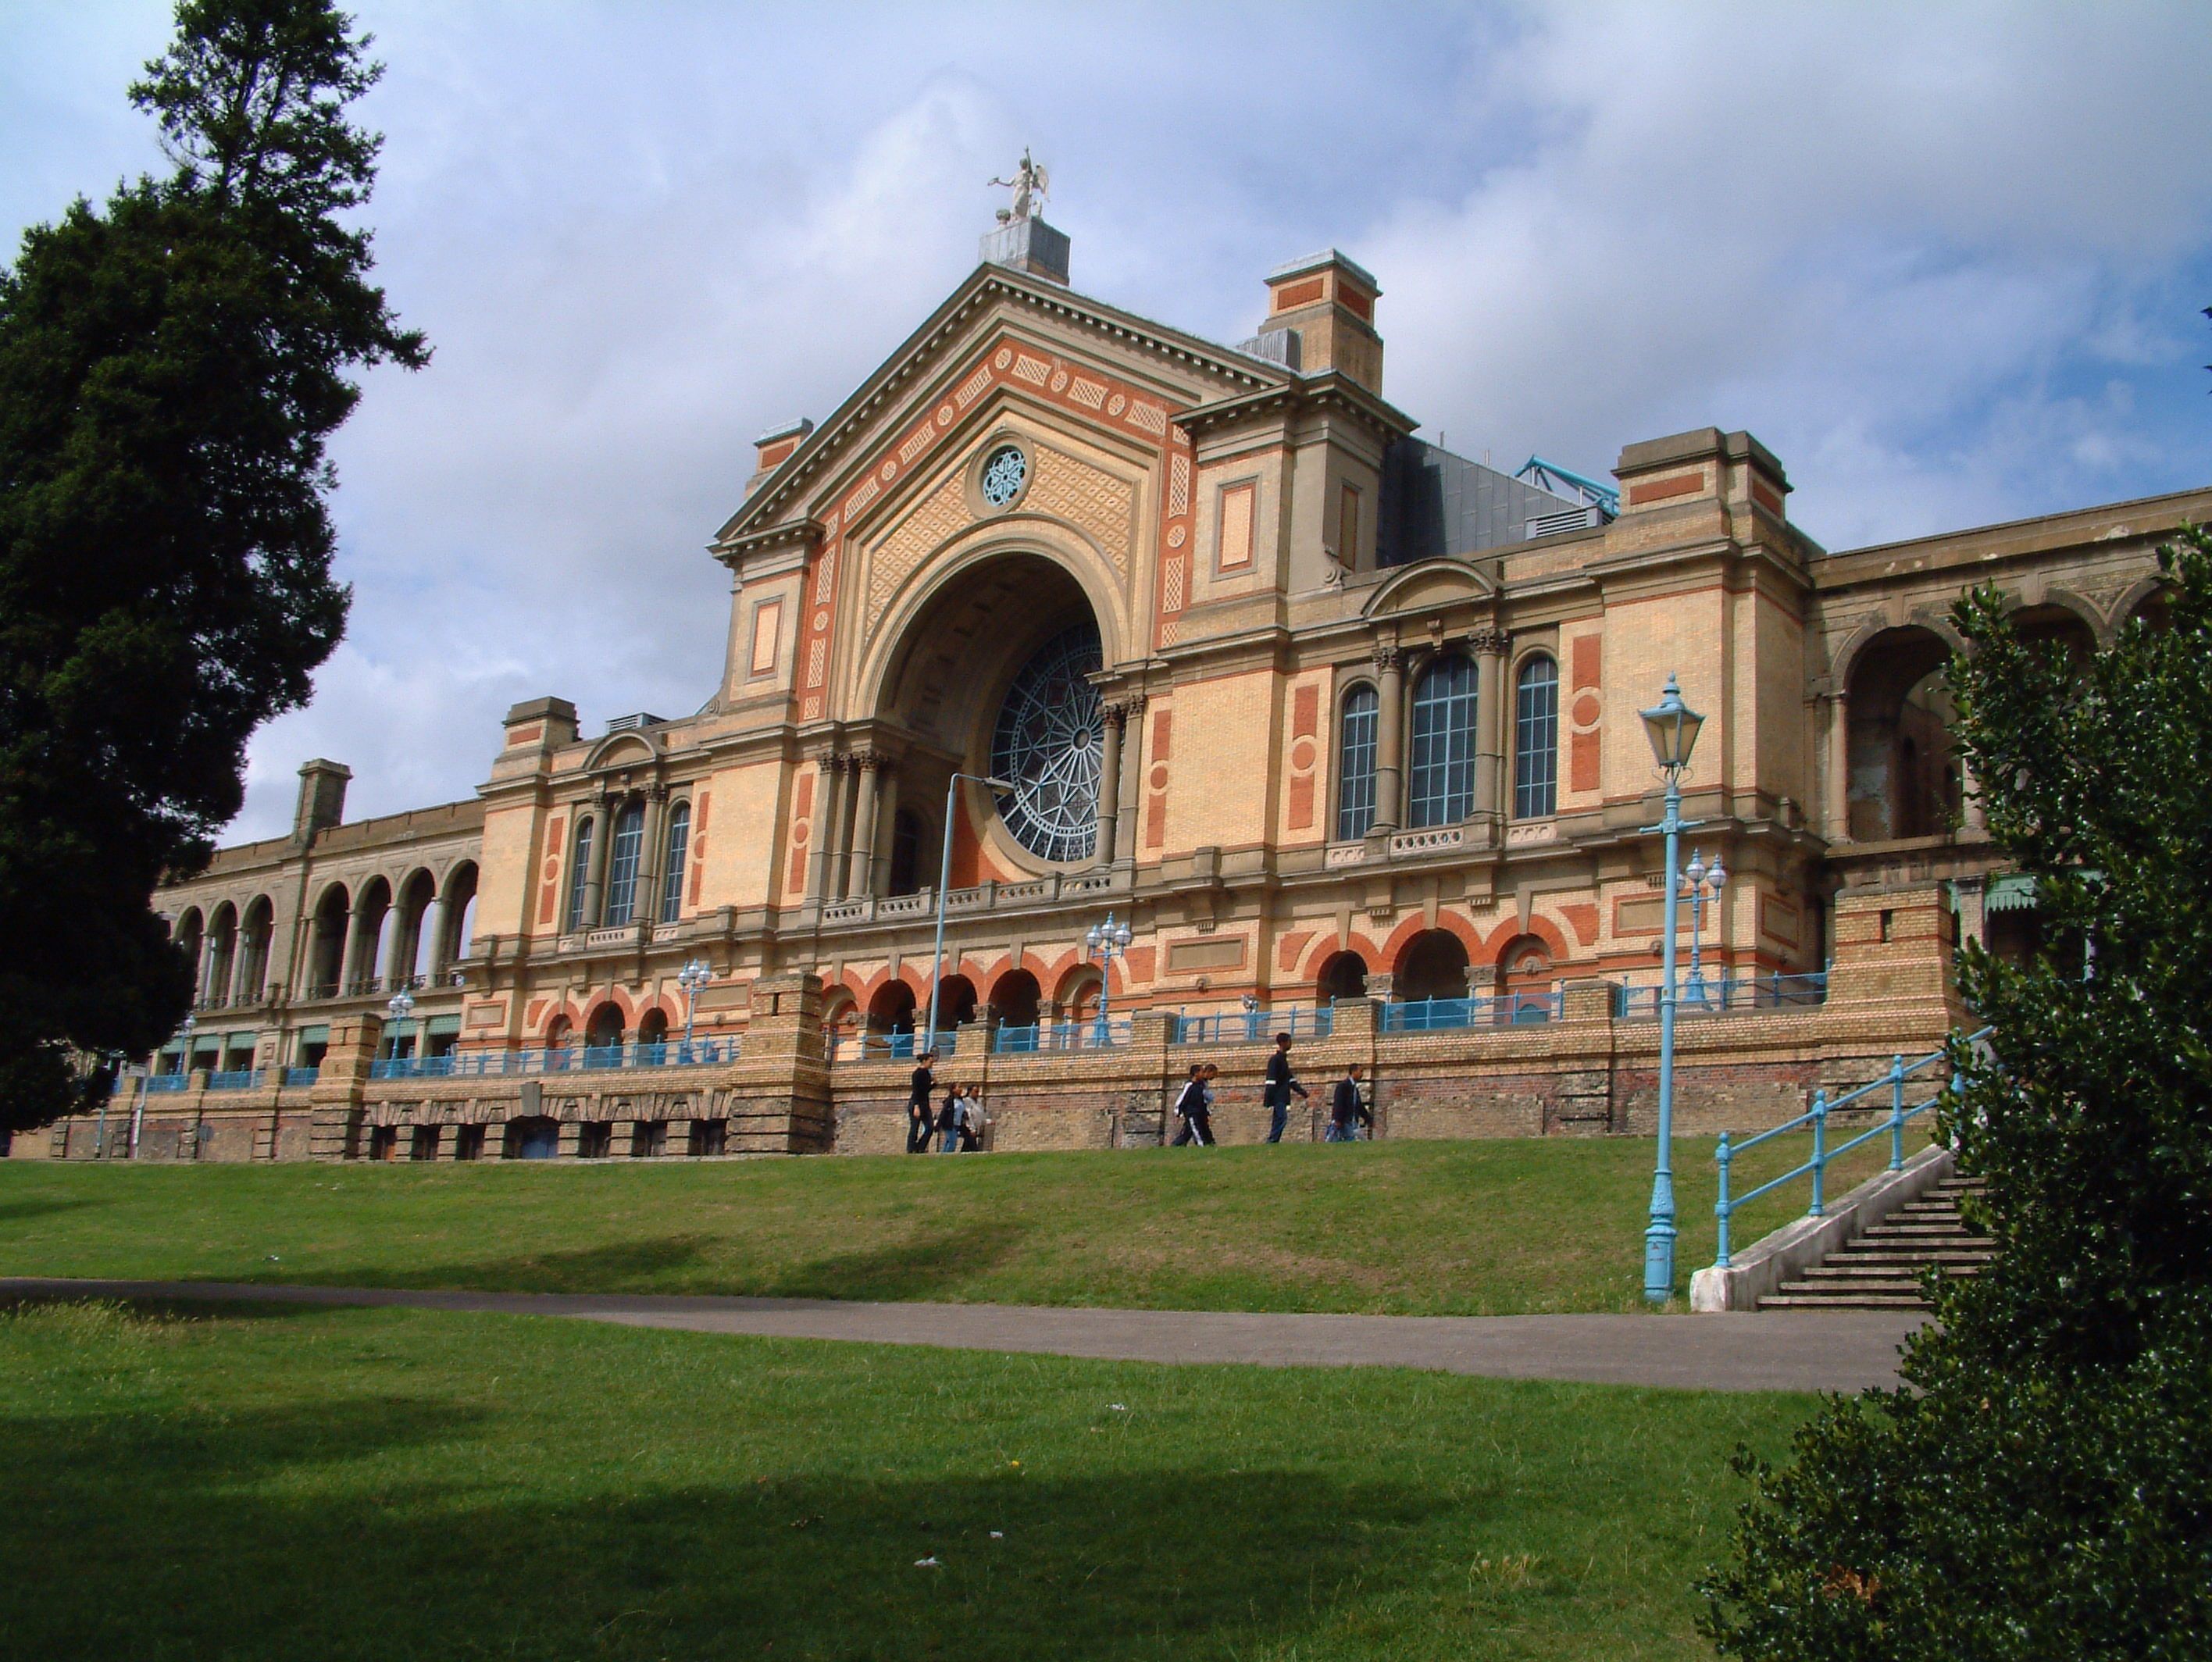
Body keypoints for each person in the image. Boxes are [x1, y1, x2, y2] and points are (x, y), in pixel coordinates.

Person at [1263, 1033, 1308, 1143]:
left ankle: (1274, 1140)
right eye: (1289, 1041)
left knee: (1279, 1119)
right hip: (1278, 1097)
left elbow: (1290, 1080)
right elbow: (1270, 1081)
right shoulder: (1275, 1060)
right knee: (1282, 1118)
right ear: (1282, 1043)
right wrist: (1269, 1099)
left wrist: (1303, 1093)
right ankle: (1272, 1140)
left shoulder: (1283, 1060)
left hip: (1282, 1097)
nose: (1290, 1044)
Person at [1169, 1062, 1213, 1147]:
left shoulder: (1200, 1086)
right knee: (1196, 1130)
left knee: (1189, 1132)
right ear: (1196, 1074)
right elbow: (1182, 1099)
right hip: (1192, 1113)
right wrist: (1178, 1113)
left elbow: (1203, 1101)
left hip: (1200, 1113)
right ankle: (1202, 1145)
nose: (1204, 1074)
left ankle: (1177, 1145)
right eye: (1202, 1072)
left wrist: (1207, 1113)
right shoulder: (1190, 1085)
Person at [905, 1049, 937, 1154]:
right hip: (917, 1103)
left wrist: (934, 1084)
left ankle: (920, 1147)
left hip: (925, 1104)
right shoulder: (917, 1074)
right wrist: (916, 1106)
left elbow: (926, 1090)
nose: (932, 1064)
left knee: (930, 1127)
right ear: (924, 1061)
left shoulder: (927, 1074)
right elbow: (917, 1091)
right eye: (930, 1062)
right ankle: (911, 1148)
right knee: (915, 1127)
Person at [1327, 1062, 1368, 1142]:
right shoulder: (1343, 1086)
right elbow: (1339, 1103)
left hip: (1352, 1122)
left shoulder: (1354, 1088)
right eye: (1361, 1071)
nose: (1362, 1074)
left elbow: (1359, 1106)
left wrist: (1368, 1119)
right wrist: (1337, 1119)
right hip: (1345, 1122)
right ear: (1354, 1072)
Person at [937, 1082, 964, 1153]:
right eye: (959, 1087)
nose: (961, 1089)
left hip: (957, 1125)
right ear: (953, 1090)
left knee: (948, 1142)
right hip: (949, 1125)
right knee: (952, 1143)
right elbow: (944, 1113)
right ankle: (946, 1158)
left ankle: (942, 1157)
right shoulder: (950, 1101)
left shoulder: (960, 1100)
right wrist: (938, 1125)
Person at [958, 1086, 984, 1152]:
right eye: (976, 1092)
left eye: (978, 1092)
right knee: (972, 1145)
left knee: (967, 1145)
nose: (977, 1094)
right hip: (967, 1127)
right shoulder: (967, 1101)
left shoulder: (978, 1102)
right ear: (970, 1092)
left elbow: (980, 1114)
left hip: (975, 1126)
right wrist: (972, 1129)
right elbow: (968, 1115)